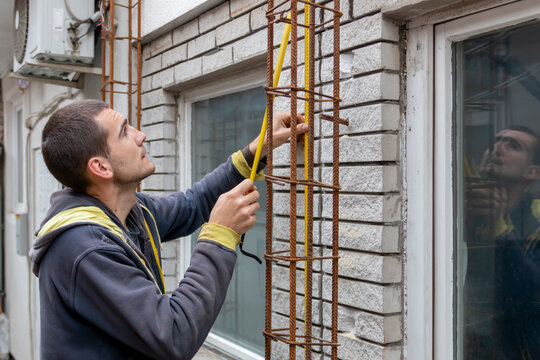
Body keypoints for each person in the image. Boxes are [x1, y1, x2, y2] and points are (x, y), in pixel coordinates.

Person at [29, 99, 307, 359]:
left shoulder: (130, 212)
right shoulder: (86, 249)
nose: (141, 135)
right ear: (100, 166)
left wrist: (256, 150)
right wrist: (219, 235)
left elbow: (193, 204)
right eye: (124, 132)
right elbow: (174, 334)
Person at [464, 126, 540, 359]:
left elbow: (532, 289)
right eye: (496, 141)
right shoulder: (456, 204)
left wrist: (500, 229)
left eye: (513, 146)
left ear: (532, 171)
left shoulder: (536, 218)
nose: (498, 148)